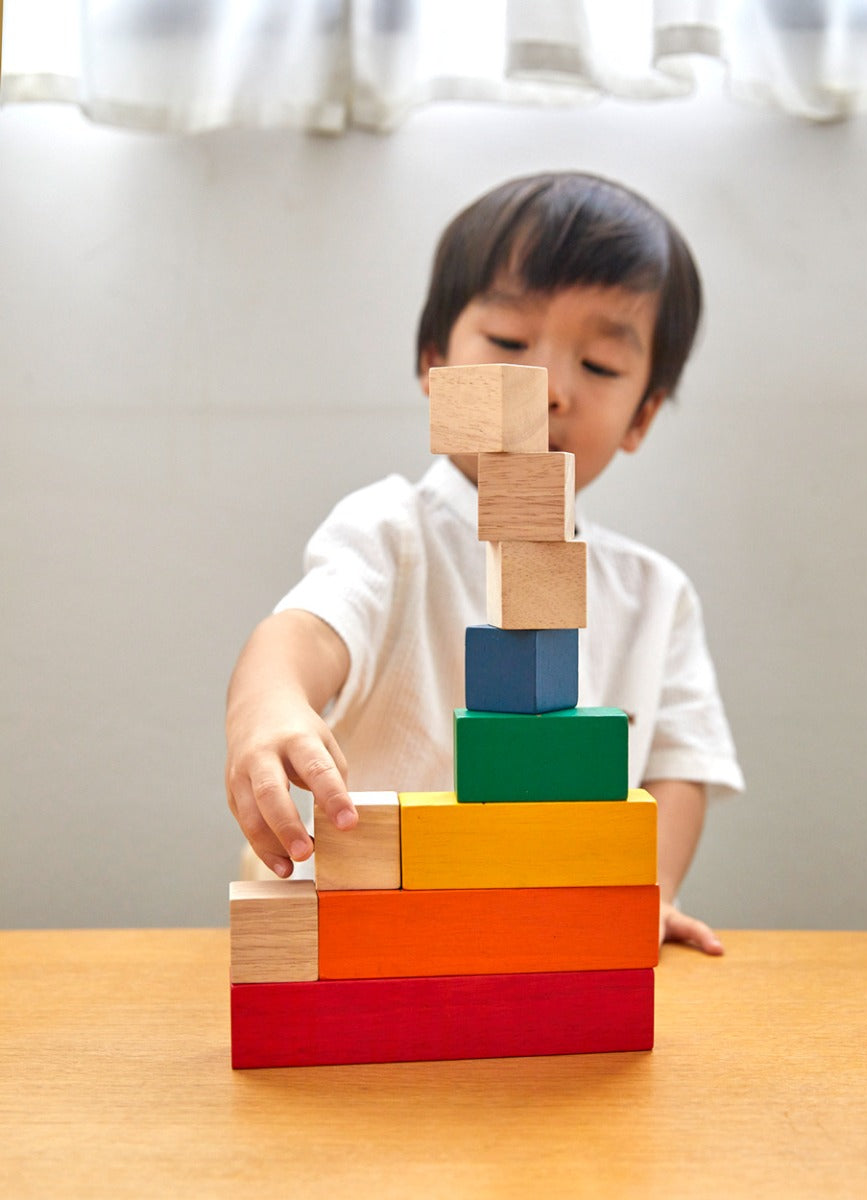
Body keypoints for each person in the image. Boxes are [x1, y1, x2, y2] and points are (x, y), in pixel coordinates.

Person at [225, 171, 744, 955]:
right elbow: (305, 633)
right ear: (437, 368)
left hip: (539, 940)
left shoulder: (653, 594)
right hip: (369, 924)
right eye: (507, 345)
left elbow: (679, 763)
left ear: (643, 415)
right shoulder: (390, 531)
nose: (548, 389)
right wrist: (267, 709)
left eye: (599, 365)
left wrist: (648, 890)